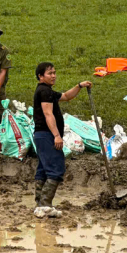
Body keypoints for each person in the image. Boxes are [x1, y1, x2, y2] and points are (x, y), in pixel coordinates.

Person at [32, 62, 92, 218]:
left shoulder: (47, 91)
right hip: (46, 135)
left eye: (54, 72)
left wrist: (79, 86)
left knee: (44, 170)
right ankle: (44, 205)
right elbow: (48, 114)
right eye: (50, 73)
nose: (54, 76)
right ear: (40, 76)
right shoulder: (44, 92)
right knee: (56, 169)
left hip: (42, 135)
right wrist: (57, 135)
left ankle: (40, 205)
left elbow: (65, 96)